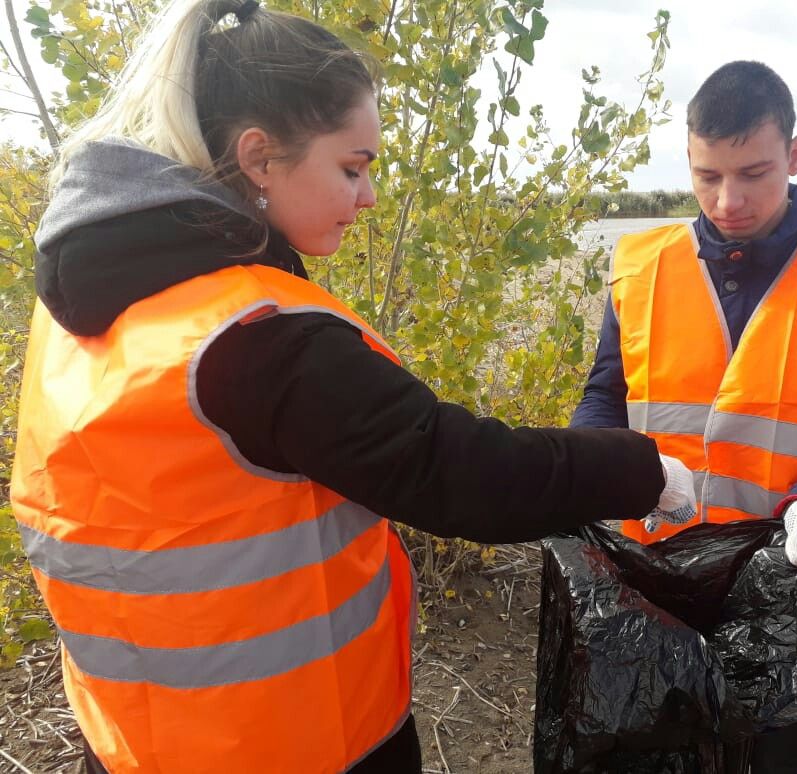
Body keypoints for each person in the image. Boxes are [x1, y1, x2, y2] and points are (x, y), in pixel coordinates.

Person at [9, 2, 697, 772]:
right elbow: (456, 471)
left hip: (137, 742)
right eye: (352, 167)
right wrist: (641, 470)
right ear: (260, 158)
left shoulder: (83, 309)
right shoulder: (259, 339)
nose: (367, 198)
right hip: (294, 744)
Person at [571, 60, 797, 773]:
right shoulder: (641, 269)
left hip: (793, 599)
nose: (727, 199)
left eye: (753, 174)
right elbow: (606, 396)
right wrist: (590, 469)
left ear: (794, 156)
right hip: (656, 585)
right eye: (706, 177)